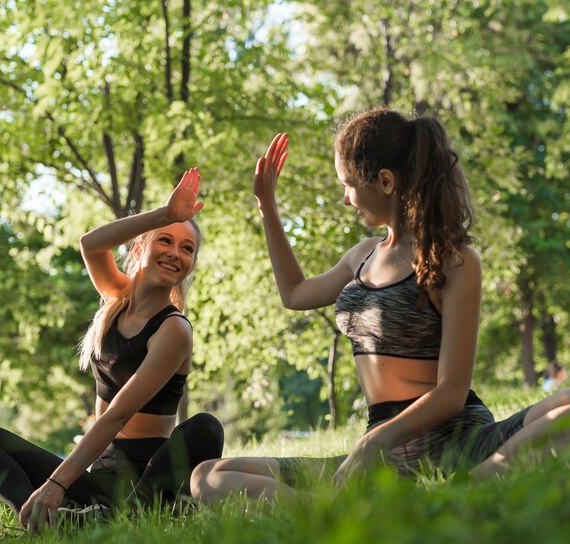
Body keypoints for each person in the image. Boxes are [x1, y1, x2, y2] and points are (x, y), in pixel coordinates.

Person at [190, 109, 570, 502]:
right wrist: (267, 206)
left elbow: (452, 391)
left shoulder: (454, 260)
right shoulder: (364, 255)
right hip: (383, 460)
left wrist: (371, 443)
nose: (344, 198)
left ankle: (462, 491)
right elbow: (296, 294)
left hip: (461, 443)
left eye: (348, 184)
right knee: (207, 475)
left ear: (385, 181)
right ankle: (328, 511)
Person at [0, 168, 224, 533]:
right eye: (165, 240)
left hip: (149, 477)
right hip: (100, 474)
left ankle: (116, 519)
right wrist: (164, 214)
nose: (176, 253)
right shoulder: (116, 301)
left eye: (187, 249)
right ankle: (41, 519)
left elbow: (117, 415)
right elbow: (90, 244)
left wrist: (57, 483)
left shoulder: (174, 329)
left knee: (206, 428)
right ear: (140, 248)